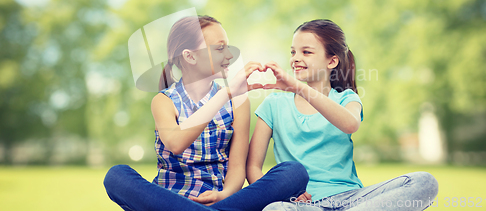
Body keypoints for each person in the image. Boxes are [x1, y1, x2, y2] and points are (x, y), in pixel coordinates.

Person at [104, 15, 308, 211]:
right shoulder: (164, 101)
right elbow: (175, 143)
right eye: (220, 48)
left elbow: (237, 167)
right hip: (167, 200)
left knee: (294, 173)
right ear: (190, 56)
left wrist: (224, 194)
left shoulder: (238, 102)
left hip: (220, 200)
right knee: (116, 176)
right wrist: (226, 94)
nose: (229, 55)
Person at [247, 19, 438, 211]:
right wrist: (283, 194)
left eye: (306, 52)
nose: (295, 58)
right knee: (275, 209)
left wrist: (299, 88)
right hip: (304, 206)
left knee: (424, 182)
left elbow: (350, 124)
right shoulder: (274, 104)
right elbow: (253, 167)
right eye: (293, 52)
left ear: (332, 61)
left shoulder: (347, 99)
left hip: (352, 200)